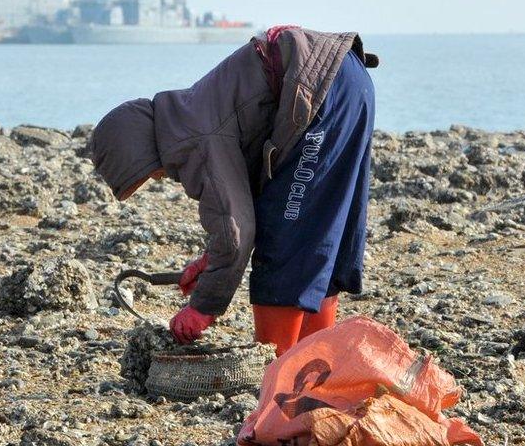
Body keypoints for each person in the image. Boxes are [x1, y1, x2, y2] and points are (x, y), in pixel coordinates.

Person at [89, 26, 378, 356]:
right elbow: (245, 201)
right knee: (316, 233)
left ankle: (278, 370)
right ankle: (314, 365)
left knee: (283, 243)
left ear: (138, 150)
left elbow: (236, 228)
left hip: (319, 88)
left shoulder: (192, 140)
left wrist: (202, 308)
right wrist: (211, 262)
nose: (157, 178)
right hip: (345, 77)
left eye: (147, 174)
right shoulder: (188, 114)